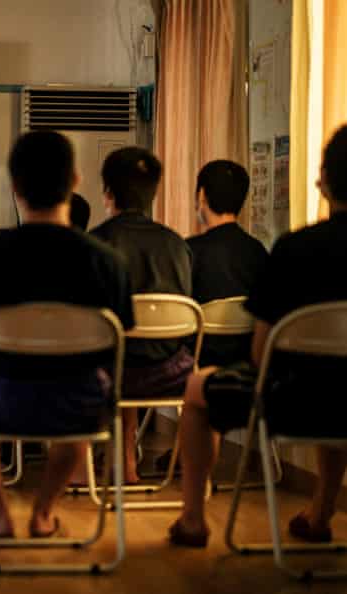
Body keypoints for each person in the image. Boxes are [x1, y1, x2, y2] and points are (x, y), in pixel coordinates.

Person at [170, 125, 347, 547]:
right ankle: (320, 510)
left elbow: (261, 350)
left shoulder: (294, 248)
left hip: (293, 401)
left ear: (323, 181)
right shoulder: (257, 250)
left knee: (196, 387)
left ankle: (193, 518)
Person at [0, 130, 134, 538]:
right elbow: (119, 343)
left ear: (14, 185)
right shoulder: (107, 261)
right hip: (80, 405)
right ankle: (43, 512)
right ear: (75, 181)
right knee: (97, 384)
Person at [91, 147, 193, 483]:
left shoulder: (96, 243)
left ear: (107, 192)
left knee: (109, 349)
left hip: (110, 374)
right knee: (134, 349)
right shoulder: (177, 245)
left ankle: (118, 463)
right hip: (172, 374)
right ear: (154, 193)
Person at [187, 160, 268, 366]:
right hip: (247, 365)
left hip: (197, 364)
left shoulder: (186, 251)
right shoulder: (258, 251)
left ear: (201, 195)